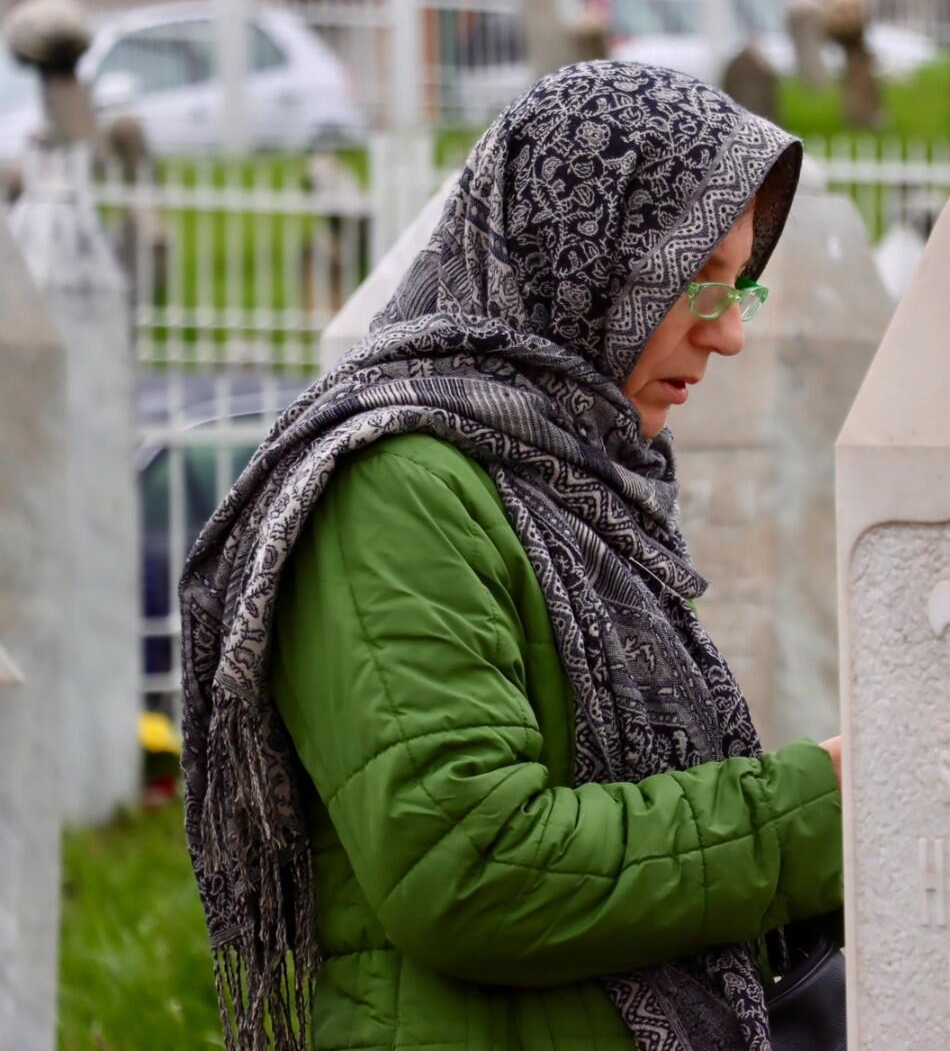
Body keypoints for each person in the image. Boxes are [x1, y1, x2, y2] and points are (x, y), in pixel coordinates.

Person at [178, 61, 844, 1051]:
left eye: (742, 284)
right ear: (581, 256)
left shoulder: (574, 477)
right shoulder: (397, 487)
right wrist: (817, 810)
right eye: (699, 285)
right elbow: (471, 864)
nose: (732, 334)